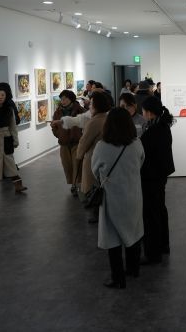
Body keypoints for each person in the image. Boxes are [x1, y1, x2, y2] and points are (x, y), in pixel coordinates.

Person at [91, 107, 145, 289]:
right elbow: (141, 162)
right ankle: (134, 269)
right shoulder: (136, 144)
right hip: (133, 195)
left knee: (113, 238)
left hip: (111, 197)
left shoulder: (102, 146)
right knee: (133, 231)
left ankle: (118, 277)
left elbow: (95, 170)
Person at [139, 96, 175, 264]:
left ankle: (153, 253)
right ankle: (163, 245)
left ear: (148, 112)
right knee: (159, 209)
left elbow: (145, 152)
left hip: (151, 175)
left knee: (151, 213)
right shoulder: (162, 125)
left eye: (143, 111)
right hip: (159, 174)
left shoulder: (154, 130)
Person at [72, 92, 112, 221]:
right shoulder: (107, 118)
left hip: (93, 157)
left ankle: (96, 212)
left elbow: (84, 141)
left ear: (96, 106)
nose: (89, 106)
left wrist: (79, 155)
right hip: (106, 157)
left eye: (91, 104)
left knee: (93, 186)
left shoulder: (94, 121)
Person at [50, 90, 86, 196]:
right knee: (67, 165)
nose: (63, 101)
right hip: (64, 144)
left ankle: (76, 185)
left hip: (77, 143)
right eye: (61, 99)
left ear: (71, 99)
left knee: (77, 164)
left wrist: (81, 135)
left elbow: (85, 124)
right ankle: (73, 183)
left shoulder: (80, 110)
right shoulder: (58, 112)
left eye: (65, 99)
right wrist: (59, 134)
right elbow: (54, 126)